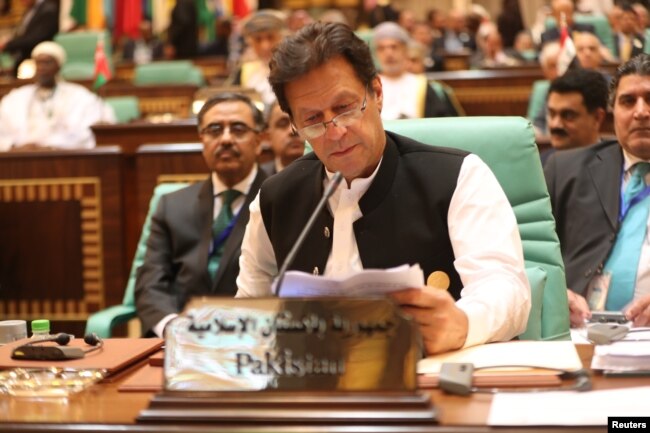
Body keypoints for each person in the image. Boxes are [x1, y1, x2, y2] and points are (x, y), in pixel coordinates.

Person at [236, 22, 531, 355]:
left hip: (429, 380)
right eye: (313, 120)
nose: (335, 132)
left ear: (376, 93)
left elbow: (507, 288)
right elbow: (249, 305)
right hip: (314, 386)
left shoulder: (459, 175)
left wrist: (463, 323)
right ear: (294, 126)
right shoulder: (276, 197)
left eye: (345, 108)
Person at [135, 92, 268, 337]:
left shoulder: (280, 198)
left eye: (238, 129)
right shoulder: (171, 205)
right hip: (183, 340)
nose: (226, 139)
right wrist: (172, 327)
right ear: (202, 141)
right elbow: (150, 283)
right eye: (215, 130)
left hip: (254, 338)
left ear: (258, 141)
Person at [544, 54, 650, 328]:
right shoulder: (566, 169)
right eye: (628, 101)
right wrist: (553, 293)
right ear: (612, 110)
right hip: (578, 331)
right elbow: (526, 253)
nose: (641, 111)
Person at [0, 41, 115, 151]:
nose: (41, 68)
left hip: (62, 159)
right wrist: (16, 147)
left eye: (47, 63)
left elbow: (85, 134)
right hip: (21, 158)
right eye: (38, 63)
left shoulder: (79, 96)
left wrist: (49, 147)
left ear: (59, 66)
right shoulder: (15, 98)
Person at [373, 22, 460, 120]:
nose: (388, 53)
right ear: (376, 53)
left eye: (394, 47)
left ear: (405, 50)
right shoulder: (369, 87)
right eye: (382, 48)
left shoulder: (424, 86)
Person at [541, 68, 609, 163]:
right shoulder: (538, 165)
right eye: (552, 114)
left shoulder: (614, 166)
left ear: (597, 118)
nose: (555, 124)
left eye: (568, 115)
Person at [230, 10, 286, 108]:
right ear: (250, 42)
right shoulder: (244, 69)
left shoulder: (293, 66)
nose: (265, 46)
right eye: (258, 39)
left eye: (270, 37)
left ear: (281, 38)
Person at [0, 0, 58, 77]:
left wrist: (8, 45)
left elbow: (36, 38)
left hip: (37, 59)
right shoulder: (30, 10)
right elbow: (23, 33)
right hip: (23, 58)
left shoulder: (48, 9)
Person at [260, 102, 305, 176]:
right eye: (282, 124)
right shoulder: (258, 180)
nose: (293, 130)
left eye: (299, 122)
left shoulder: (328, 175)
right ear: (268, 137)